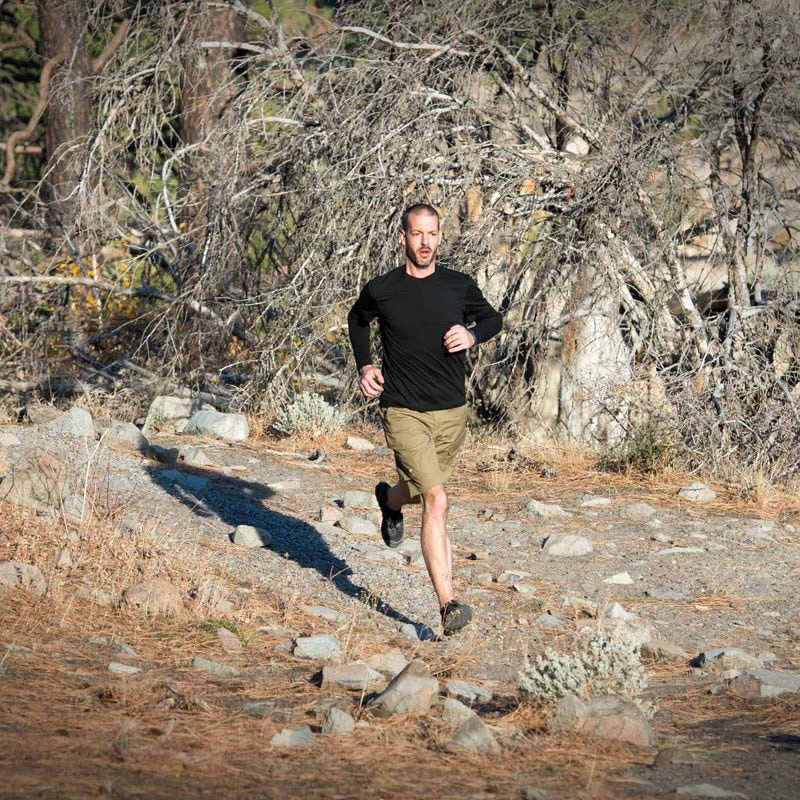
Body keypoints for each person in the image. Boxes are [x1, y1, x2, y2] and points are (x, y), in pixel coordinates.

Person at [347, 203, 502, 635]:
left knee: (420, 491)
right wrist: (365, 365)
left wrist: (472, 333)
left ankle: (390, 500)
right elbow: (357, 320)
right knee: (437, 499)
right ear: (403, 237)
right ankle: (448, 605)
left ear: (439, 236)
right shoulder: (383, 289)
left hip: (451, 412)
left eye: (432, 234)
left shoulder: (458, 286)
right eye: (417, 234)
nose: (425, 242)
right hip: (403, 410)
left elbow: (493, 319)